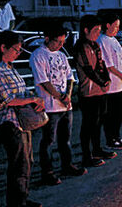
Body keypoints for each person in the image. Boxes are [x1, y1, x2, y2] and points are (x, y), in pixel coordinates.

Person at [0, 31, 44, 207]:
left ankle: (22, 199)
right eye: (16, 50)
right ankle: (15, 205)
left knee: (26, 161)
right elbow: (8, 99)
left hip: (21, 122)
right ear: (3, 48)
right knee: (19, 163)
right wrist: (31, 99)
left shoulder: (9, 68)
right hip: (9, 122)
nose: (18, 54)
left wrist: (34, 99)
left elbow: (22, 92)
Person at [30, 23, 87, 185]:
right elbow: (44, 81)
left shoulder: (61, 55)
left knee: (65, 138)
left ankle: (67, 165)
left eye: (63, 42)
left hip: (65, 104)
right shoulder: (38, 55)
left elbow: (70, 77)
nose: (61, 45)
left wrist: (67, 95)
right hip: (50, 105)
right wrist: (60, 96)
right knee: (48, 140)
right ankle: (47, 171)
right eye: (57, 42)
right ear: (47, 38)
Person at [74, 15, 116, 167]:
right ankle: (87, 155)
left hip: (100, 91)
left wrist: (106, 80)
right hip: (88, 91)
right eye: (96, 30)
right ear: (86, 30)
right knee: (88, 124)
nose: (99, 33)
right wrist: (102, 81)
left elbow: (101, 64)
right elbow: (88, 69)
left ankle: (97, 149)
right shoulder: (81, 47)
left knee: (99, 121)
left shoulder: (95, 45)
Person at [97, 11, 122, 150]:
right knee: (110, 114)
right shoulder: (102, 40)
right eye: (115, 26)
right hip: (112, 84)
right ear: (107, 25)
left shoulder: (114, 40)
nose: (117, 29)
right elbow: (109, 65)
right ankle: (110, 139)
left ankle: (118, 136)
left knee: (119, 112)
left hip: (121, 83)